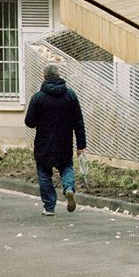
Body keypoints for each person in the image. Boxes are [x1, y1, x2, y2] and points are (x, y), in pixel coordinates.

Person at [24, 62, 87, 214]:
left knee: (44, 172)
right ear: (59, 76)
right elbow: (78, 121)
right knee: (66, 167)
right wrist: (81, 145)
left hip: (43, 142)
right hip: (64, 140)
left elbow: (29, 122)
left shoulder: (38, 97)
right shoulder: (70, 95)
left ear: (44, 77)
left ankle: (49, 207)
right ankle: (69, 188)